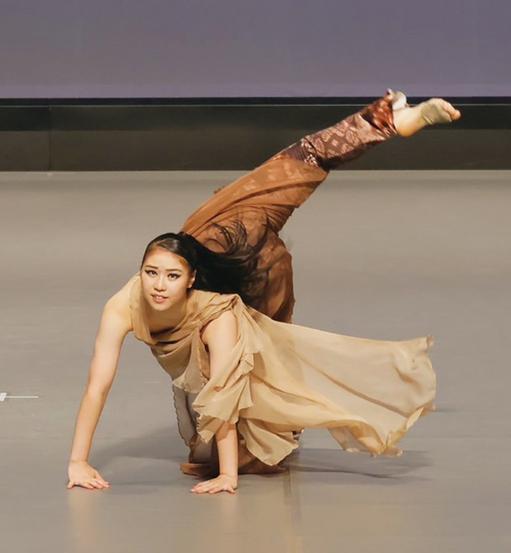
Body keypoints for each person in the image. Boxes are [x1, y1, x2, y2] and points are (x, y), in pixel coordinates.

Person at [66, 90, 461, 495]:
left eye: (168, 275)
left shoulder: (215, 312)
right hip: (221, 239)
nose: (158, 285)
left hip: (255, 265)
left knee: (258, 376)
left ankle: (387, 120)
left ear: (190, 278)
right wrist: (78, 461)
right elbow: (98, 385)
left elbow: (222, 389)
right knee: (303, 161)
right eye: (150, 274)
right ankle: (385, 120)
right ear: (141, 272)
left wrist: (228, 475)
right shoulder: (127, 303)